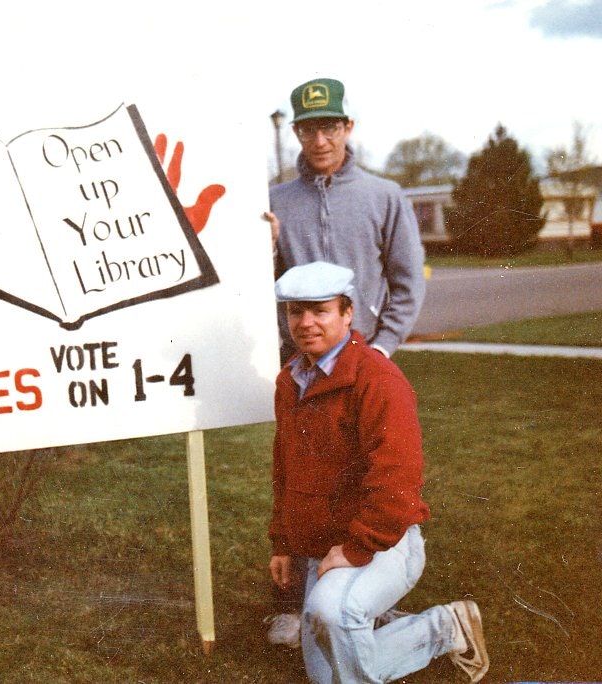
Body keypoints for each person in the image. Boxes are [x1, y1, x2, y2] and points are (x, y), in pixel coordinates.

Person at [263, 76, 427, 646]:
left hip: (363, 359)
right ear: (298, 133)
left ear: (347, 127)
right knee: (306, 466)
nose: (318, 138)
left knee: (374, 464)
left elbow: (408, 282)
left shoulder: (384, 196)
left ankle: (365, 578)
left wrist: (380, 348)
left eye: (329, 125)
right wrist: (264, 249)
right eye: (307, 128)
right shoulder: (277, 201)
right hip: (305, 368)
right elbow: (267, 288)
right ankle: (307, 595)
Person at [268, 261, 488, 683]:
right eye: (296, 311)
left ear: (347, 313)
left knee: (332, 613)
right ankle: (444, 627)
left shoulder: (377, 379)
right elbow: (286, 468)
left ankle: (365, 614)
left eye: (320, 310)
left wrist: (355, 549)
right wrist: (283, 541)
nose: (306, 323)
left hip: (385, 542)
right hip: (324, 547)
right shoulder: (292, 379)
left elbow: (398, 483)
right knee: (327, 676)